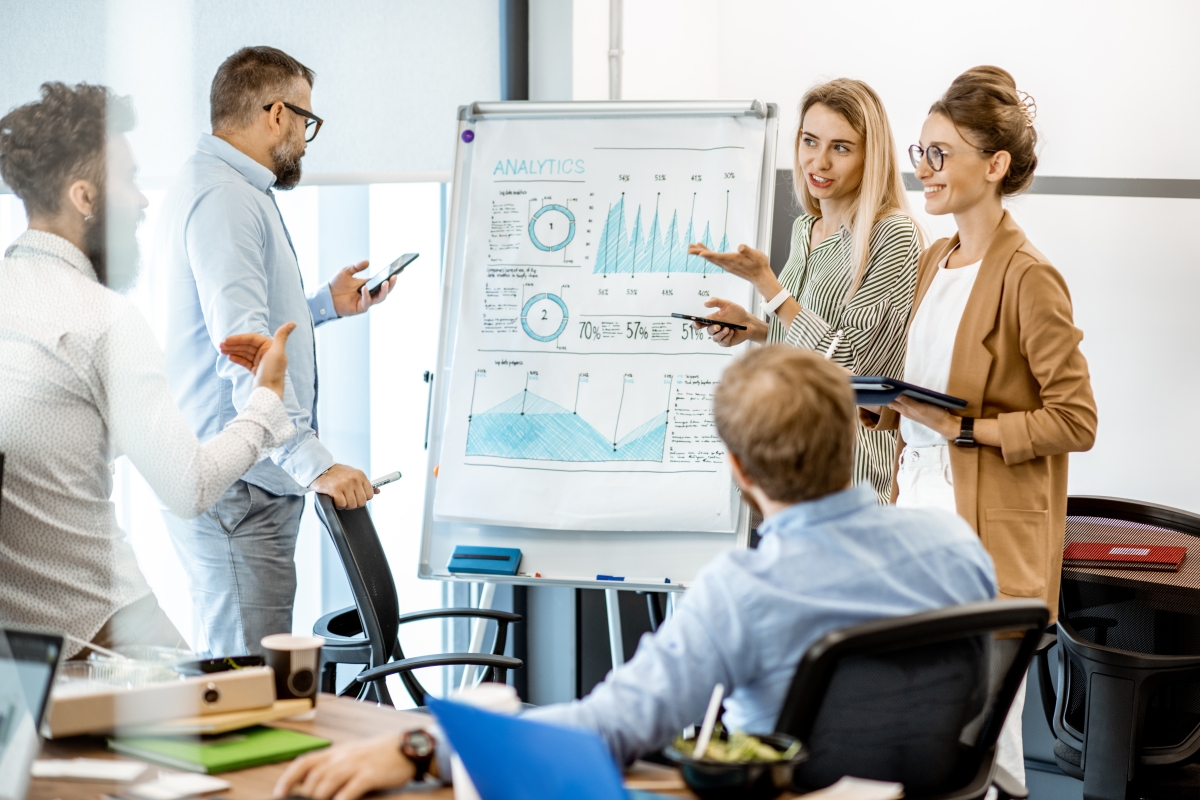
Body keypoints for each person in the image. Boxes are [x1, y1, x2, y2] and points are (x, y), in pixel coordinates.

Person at [272, 345, 999, 800]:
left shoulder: (742, 592)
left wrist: (421, 743)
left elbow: (606, 729)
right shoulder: (957, 546)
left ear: (739, 471)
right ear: (850, 437)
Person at [0, 82, 298, 659]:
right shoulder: (101, 319)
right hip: (98, 627)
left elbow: (37, 441)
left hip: (20, 651)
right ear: (85, 198)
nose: (141, 200)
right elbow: (190, 489)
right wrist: (266, 399)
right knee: (234, 716)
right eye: (129, 180)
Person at [863, 66, 1098, 789]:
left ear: (993, 166)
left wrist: (968, 430)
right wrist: (867, 399)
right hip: (918, 521)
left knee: (976, 744)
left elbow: (1075, 419)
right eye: (920, 152)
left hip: (985, 538)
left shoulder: (1029, 275)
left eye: (940, 154)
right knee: (919, 736)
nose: (922, 170)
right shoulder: (936, 259)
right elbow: (924, 390)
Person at [158, 46, 397, 658]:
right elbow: (243, 353)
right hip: (240, 486)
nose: (307, 138)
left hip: (245, 480)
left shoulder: (228, 186)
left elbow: (244, 326)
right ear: (274, 113)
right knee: (250, 686)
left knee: (250, 677)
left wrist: (322, 306)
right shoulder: (225, 198)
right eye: (307, 121)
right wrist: (312, 463)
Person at [688, 79, 921, 503]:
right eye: (810, 141)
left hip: (852, 470)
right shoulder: (805, 229)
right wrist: (757, 329)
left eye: (841, 147)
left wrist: (770, 288)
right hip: (788, 455)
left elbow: (854, 372)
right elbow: (811, 339)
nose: (819, 161)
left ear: (872, 156)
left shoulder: (892, 234)